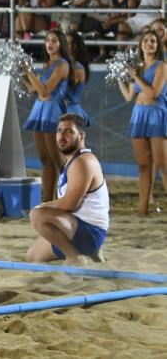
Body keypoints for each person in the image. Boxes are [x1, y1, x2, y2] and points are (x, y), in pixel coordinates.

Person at [26, 114, 110, 265]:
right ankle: (94, 256)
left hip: (89, 233)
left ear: (81, 135)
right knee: (33, 255)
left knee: (37, 215)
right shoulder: (71, 160)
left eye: (69, 131)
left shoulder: (83, 161)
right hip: (80, 228)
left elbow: (70, 204)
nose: (62, 135)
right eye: (59, 130)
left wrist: (43, 206)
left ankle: (74, 257)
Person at [117, 30, 166, 216]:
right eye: (145, 41)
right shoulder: (138, 67)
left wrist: (135, 76)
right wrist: (122, 78)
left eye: (153, 41)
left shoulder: (162, 66)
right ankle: (143, 209)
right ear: (141, 45)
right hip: (139, 115)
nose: (149, 44)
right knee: (144, 165)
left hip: (157, 115)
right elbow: (130, 96)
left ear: (157, 45)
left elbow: (154, 93)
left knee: (162, 164)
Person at [23, 29, 73, 203]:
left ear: (61, 44)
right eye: (48, 40)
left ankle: (67, 197)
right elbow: (34, 90)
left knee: (57, 159)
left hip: (53, 112)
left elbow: (46, 90)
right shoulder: (47, 65)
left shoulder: (63, 65)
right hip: (40, 110)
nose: (50, 44)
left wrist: (28, 71)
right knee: (45, 159)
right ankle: (47, 199)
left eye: (54, 41)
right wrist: (22, 74)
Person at [64, 32, 92, 126]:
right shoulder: (61, 65)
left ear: (74, 47)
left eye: (66, 43)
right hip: (58, 110)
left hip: (70, 113)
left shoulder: (78, 69)